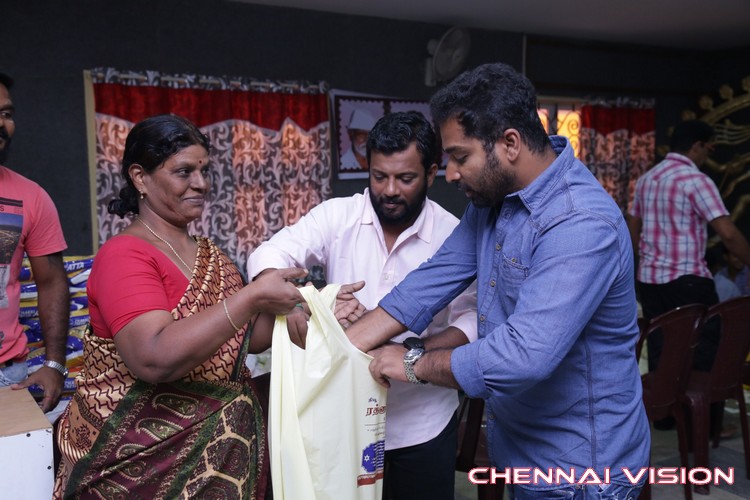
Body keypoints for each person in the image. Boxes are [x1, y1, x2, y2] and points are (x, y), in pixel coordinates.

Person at [344, 63, 650, 499]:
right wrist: (343, 348)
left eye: (460, 157)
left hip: (580, 472)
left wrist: (412, 363)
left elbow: (523, 356)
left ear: (510, 143)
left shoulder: (580, 223)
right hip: (522, 453)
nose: (450, 174)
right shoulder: (493, 201)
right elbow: (432, 280)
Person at [53, 114, 308, 499]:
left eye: (205, 171)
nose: (201, 184)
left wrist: (310, 307)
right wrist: (252, 296)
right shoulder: (124, 256)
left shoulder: (208, 254)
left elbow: (245, 340)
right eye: (184, 171)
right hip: (137, 465)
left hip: (220, 457)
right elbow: (153, 358)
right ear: (140, 178)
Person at [248, 111, 477, 500]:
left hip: (422, 425)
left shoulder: (452, 235)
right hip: (343, 420)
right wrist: (309, 301)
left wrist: (408, 353)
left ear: (431, 173)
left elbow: (471, 320)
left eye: (405, 178)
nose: (390, 190)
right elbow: (268, 255)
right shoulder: (338, 215)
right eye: (379, 176)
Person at [628, 119, 750, 372]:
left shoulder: (647, 180)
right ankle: (699, 399)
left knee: (662, 356)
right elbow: (728, 234)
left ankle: (663, 400)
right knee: (702, 356)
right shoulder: (697, 180)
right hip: (688, 283)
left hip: (650, 283)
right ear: (697, 146)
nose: (708, 155)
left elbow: (633, 228)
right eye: (709, 148)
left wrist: (648, 259)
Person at [0, 71, 70, 413]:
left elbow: (52, 281)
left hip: (6, 375)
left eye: (6, 114)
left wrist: (54, 363)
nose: (2, 124)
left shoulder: (31, 196)